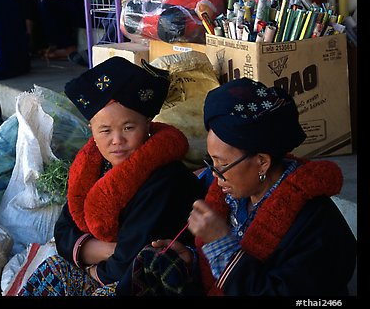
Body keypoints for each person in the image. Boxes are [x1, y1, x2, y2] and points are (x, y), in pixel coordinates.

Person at [117, 77, 357, 296]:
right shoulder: (236, 198)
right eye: (211, 161)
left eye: (222, 164)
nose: (214, 174)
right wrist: (194, 262)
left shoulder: (316, 225)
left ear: (262, 162)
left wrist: (220, 243)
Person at [18, 56, 207, 296]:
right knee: (52, 268)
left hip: (144, 280)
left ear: (148, 124)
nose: (117, 140)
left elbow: (133, 260)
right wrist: (106, 250)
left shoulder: (166, 179)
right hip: (105, 263)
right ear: (92, 132)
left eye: (129, 128)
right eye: (105, 131)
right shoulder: (93, 168)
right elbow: (64, 230)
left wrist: (93, 271)